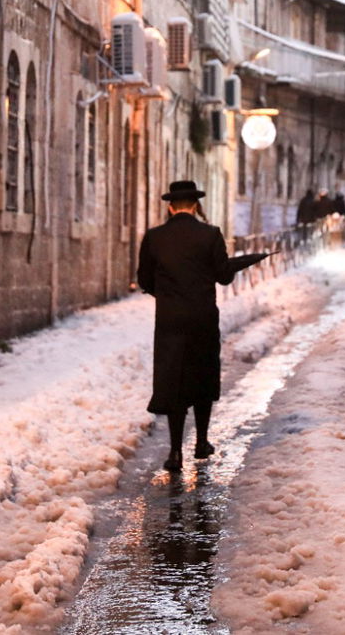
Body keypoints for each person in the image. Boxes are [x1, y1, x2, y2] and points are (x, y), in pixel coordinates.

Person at [136, 180, 236, 472]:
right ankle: (201, 442)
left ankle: (175, 452)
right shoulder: (210, 234)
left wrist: (167, 295)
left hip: (170, 320)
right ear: (195, 206)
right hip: (202, 318)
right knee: (202, 376)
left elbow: (144, 279)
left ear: (170, 207)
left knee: (174, 381)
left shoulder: (154, 237)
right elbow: (224, 277)